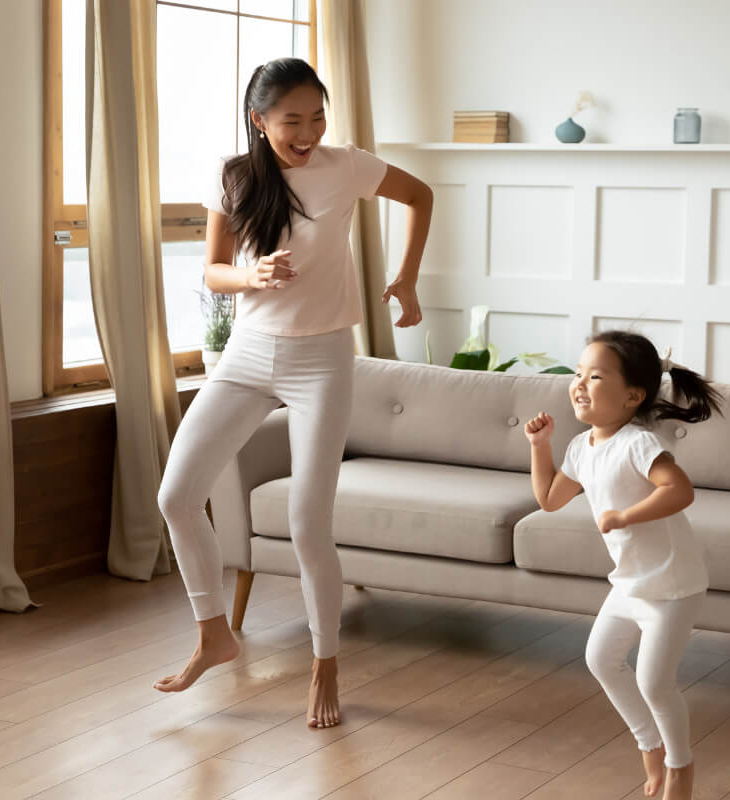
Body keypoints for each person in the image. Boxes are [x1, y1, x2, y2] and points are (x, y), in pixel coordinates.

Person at [154, 58, 432, 730]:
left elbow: (421, 195)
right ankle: (213, 634)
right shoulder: (237, 176)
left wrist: (407, 278)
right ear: (259, 120)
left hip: (322, 359)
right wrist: (253, 275)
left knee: (309, 525)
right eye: (291, 121)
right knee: (176, 497)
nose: (308, 132)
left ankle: (324, 663)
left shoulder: (347, 165)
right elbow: (215, 272)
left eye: (317, 117)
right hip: (248, 356)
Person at [524, 330, 722, 800]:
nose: (579, 383)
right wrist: (540, 446)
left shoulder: (637, 442)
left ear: (632, 396)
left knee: (655, 684)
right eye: (577, 374)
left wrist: (624, 516)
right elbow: (550, 499)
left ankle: (680, 767)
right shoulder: (581, 446)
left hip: (673, 586)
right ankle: (649, 746)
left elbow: (680, 490)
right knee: (600, 659)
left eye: (594, 376)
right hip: (630, 584)